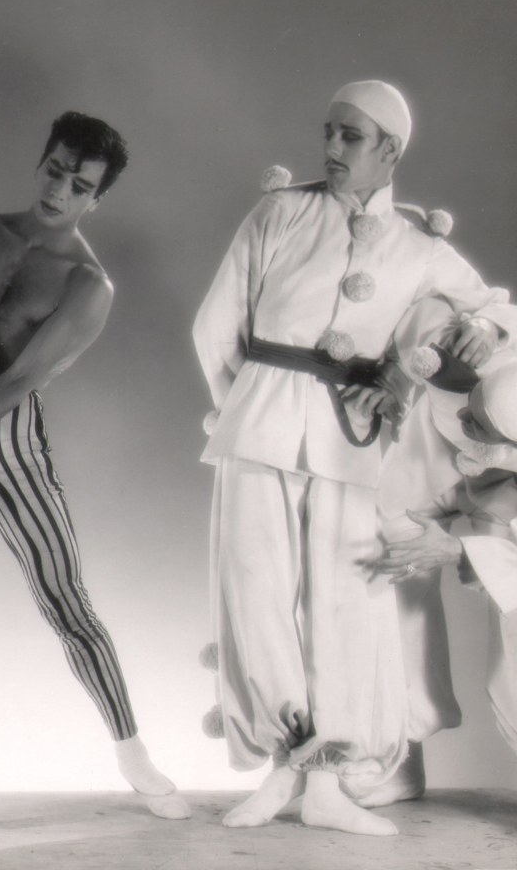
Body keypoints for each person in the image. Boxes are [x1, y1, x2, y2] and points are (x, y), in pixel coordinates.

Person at [193, 80, 513, 836]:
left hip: (347, 433)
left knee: (345, 597)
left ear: (390, 151)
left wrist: (485, 333)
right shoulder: (279, 211)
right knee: (254, 583)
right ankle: (285, 764)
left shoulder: (417, 243)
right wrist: (244, 408)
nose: (331, 150)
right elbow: (217, 328)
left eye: (351, 137)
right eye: (328, 133)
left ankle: (333, 781)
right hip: (261, 413)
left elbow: (493, 302)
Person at [0, 111, 188, 831]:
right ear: (41, 163)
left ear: (97, 198)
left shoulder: (90, 283)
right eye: (55, 170)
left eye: (79, 184)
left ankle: (135, 757)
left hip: (7, 437)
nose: (60, 190)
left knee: (65, 602)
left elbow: (25, 376)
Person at [364, 297, 517, 803]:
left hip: (502, 506)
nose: (470, 428)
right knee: (384, 547)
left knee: (508, 680)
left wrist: (460, 551)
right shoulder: (475, 392)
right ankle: (400, 748)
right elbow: (471, 295)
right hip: (440, 454)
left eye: (480, 426)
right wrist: (488, 322)